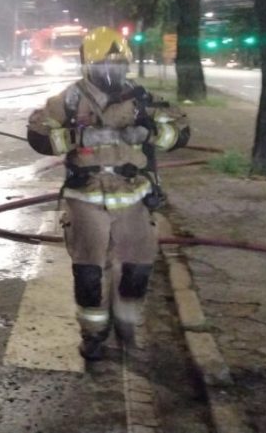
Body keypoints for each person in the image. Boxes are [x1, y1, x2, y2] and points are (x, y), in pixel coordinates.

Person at [26, 27, 190, 361]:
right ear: (89, 64)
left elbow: (181, 132)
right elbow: (39, 138)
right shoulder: (70, 99)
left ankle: (127, 325)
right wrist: (79, 139)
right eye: (105, 63)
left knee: (138, 268)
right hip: (86, 196)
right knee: (88, 272)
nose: (112, 71)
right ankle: (94, 334)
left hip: (134, 195)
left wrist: (150, 132)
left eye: (118, 64)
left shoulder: (141, 99)